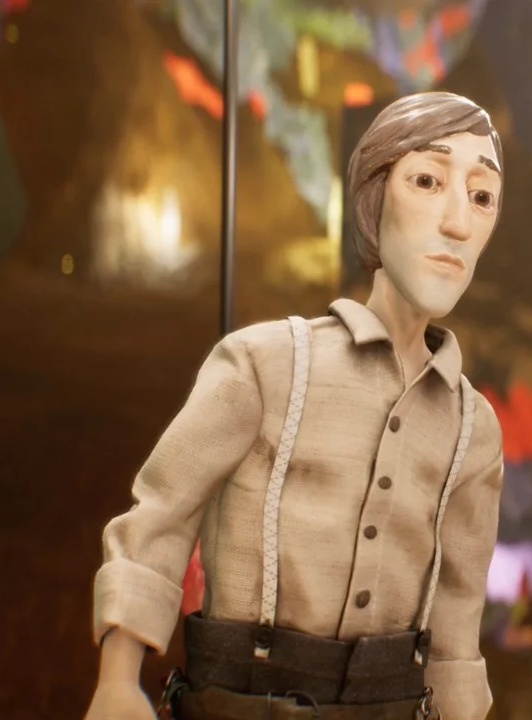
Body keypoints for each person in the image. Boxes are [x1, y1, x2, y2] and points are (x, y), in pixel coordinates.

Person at [82, 91, 506, 720]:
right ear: (373, 197)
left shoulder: (473, 427)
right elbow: (161, 519)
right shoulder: (267, 363)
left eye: (481, 196)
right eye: (426, 181)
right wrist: (118, 681)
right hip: (242, 698)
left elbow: (457, 609)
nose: (457, 223)